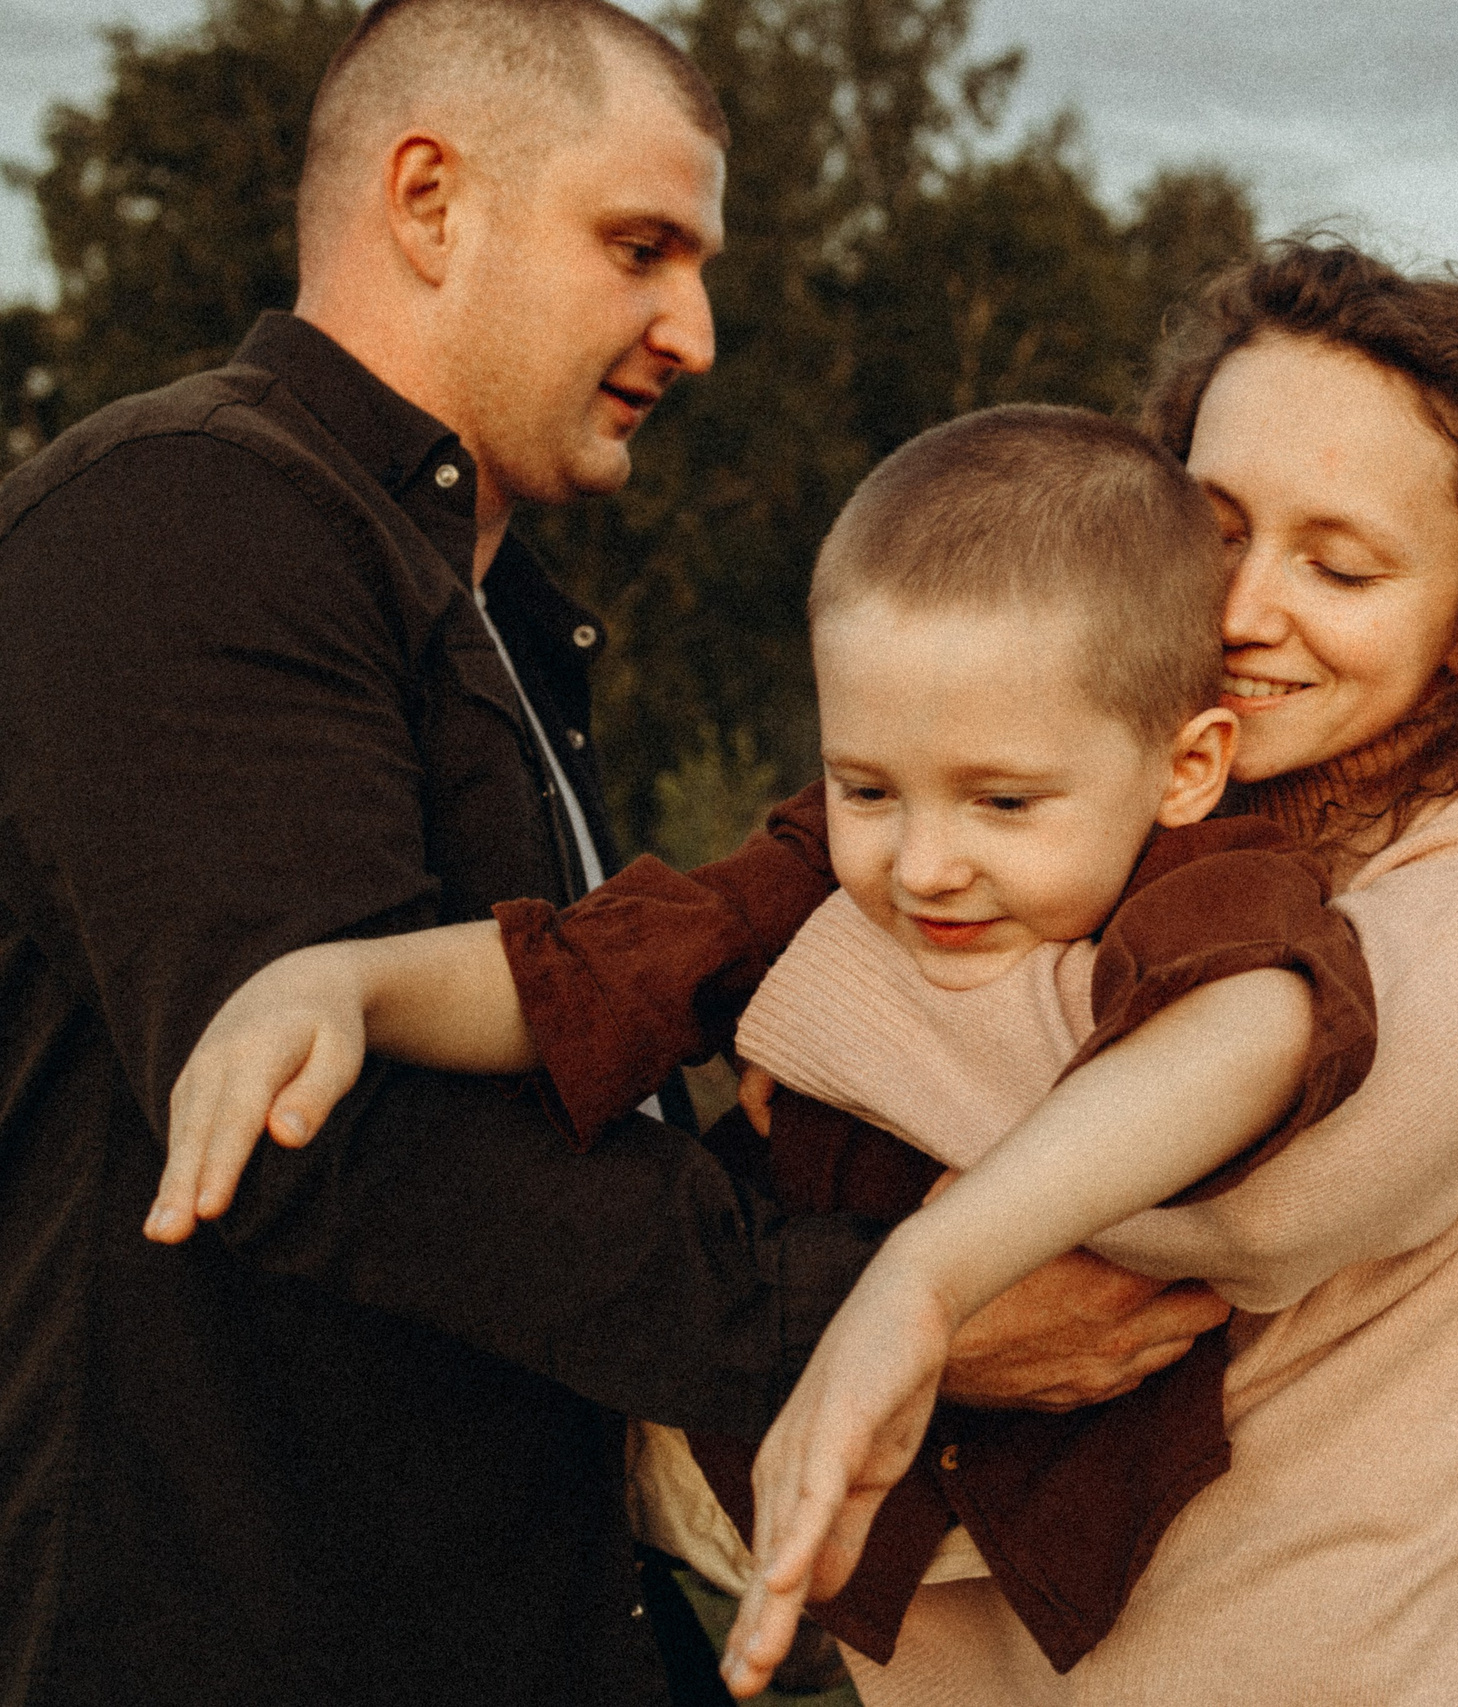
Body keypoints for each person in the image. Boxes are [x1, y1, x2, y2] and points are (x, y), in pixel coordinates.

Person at [168, 238, 1458, 1702]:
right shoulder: (1102, 763)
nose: (1249, 609)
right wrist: (356, 984)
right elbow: (641, 949)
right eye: (1212, 533)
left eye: (1343, 568)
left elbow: (1285, 1163)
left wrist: (828, 999)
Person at [0, 4, 1213, 1701]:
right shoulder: (180, 522)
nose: (696, 331)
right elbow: (322, 1133)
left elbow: (577, 1067)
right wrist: (893, 1309)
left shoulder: (481, 605)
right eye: (642, 246)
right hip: (223, 1626)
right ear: (429, 200)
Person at [163, 402, 1382, 1674]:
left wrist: (928, 1278)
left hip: (1092, 1544)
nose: (922, 865)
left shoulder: (1217, 883)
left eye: (1004, 803)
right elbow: (600, 967)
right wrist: (350, 983)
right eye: (866, 787)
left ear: (1186, 768)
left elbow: (1261, 1030)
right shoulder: (828, 872)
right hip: (748, 1470)